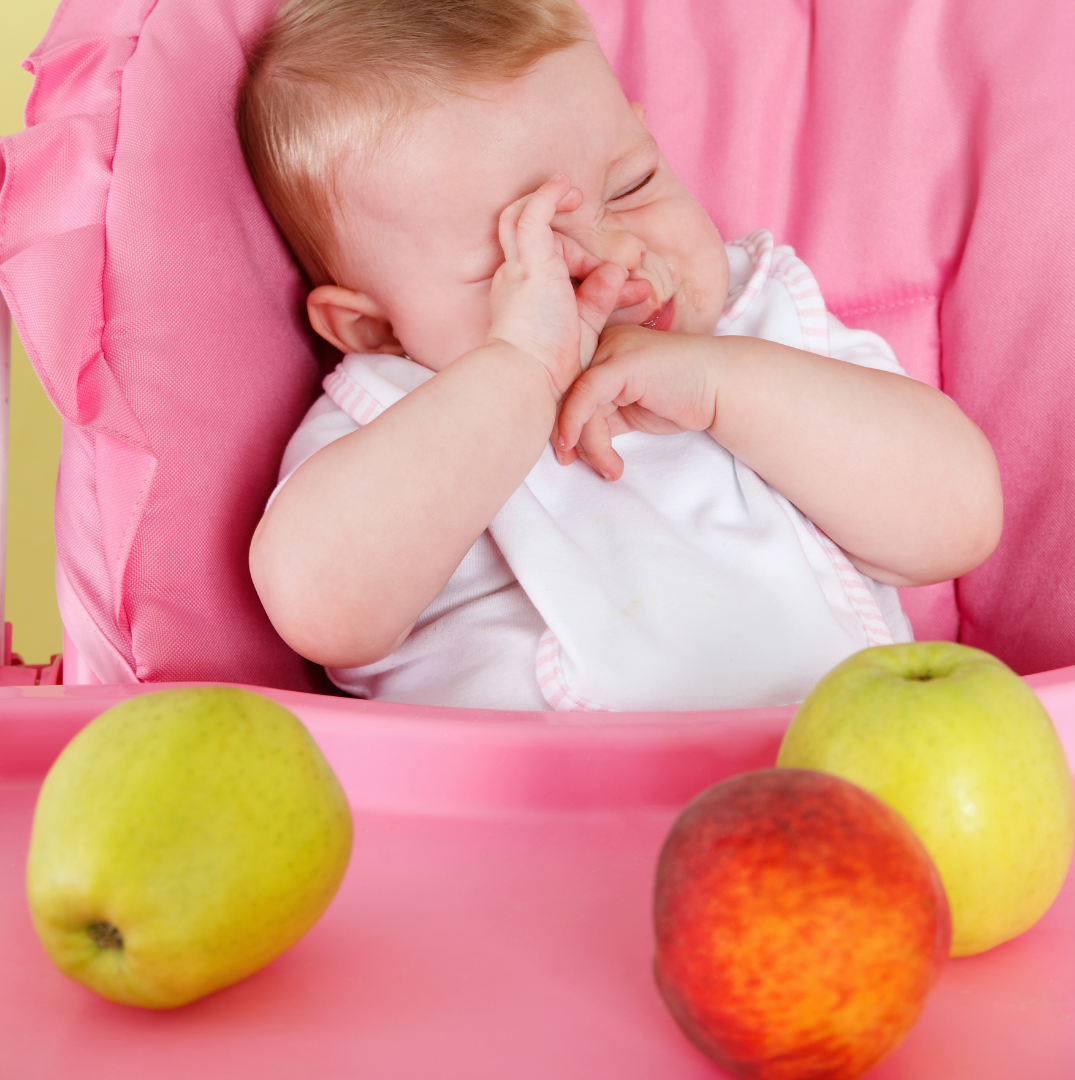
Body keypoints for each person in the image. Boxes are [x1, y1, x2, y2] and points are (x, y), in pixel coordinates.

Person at [236, 0, 1002, 711]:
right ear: (375, 329)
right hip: (558, 830)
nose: (619, 257)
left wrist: (723, 386)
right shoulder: (394, 412)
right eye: (525, 261)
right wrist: (518, 373)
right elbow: (319, 609)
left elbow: (959, 519)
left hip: (851, 778)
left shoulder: (754, 323)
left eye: (633, 185)